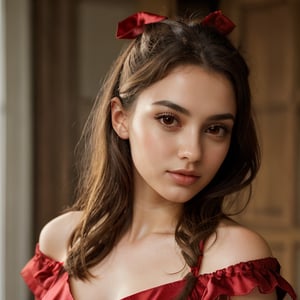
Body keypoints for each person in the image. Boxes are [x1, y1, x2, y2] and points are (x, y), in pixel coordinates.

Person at [21, 10, 297, 300]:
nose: (192, 151)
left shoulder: (234, 260)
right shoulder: (61, 238)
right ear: (120, 118)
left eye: (215, 129)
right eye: (168, 119)